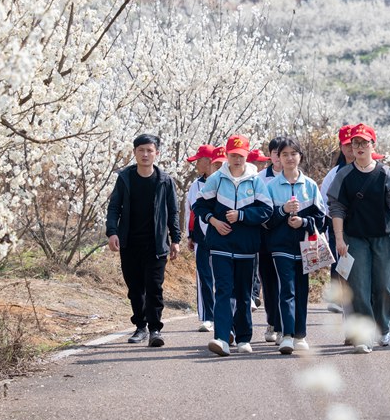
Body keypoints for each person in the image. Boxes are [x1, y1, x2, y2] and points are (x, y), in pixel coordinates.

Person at [327, 123, 390, 353]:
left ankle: (383, 327)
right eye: (355, 143)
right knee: (359, 286)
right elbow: (337, 208)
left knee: (384, 286)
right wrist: (339, 239)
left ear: (373, 145)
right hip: (355, 238)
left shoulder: (385, 174)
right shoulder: (344, 175)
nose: (359, 147)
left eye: (364, 142)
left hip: (384, 236)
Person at [193, 135, 273, 357]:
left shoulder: (255, 180)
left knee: (243, 293)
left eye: (241, 156)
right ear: (227, 155)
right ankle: (221, 337)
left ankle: (244, 338)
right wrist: (214, 221)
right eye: (233, 155)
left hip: (247, 246)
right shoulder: (217, 178)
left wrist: (242, 215)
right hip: (220, 244)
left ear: (247, 157)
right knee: (223, 290)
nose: (237, 159)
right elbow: (199, 205)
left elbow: (266, 210)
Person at [106, 134, 181, 347]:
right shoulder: (125, 178)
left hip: (156, 244)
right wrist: (112, 232)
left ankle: (155, 329)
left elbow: (173, 212)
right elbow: (114, 208)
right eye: (141, 150)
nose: (145, 154)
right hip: (130, 242)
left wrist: (175, 239)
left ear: (156, 153)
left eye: (150, 150)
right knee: (135, 287)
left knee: (154, 286)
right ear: (134, 152)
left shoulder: (165, 181)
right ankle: (140, 326)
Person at [264, 137, 326, 354]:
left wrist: (304, 222)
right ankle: (288, 335)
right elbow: (265, 220)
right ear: (278, 159)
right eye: (284, 154)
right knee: (286, 289)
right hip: (280, 246)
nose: (289, 158)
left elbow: (321, 219)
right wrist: (283, 211)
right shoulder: (270, 187)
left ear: (300, 156)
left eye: (293, 154)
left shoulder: (309, 185)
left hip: (305, 247)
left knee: (302, 290)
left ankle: (301, 335)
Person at [320, 124, 354, 314]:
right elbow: (324, 200)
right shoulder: (333, 174)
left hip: (361, 224)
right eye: (346, 144)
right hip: (336, 223)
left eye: (353, 143)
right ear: (341, 147)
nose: (350, 148)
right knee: (338, 259)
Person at [186, 144, 218, 332]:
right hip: (201, 237)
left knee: (223, 277)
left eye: (199, 160)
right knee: (204, 276)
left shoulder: (224, 181)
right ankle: (207, 316)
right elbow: (190, 211)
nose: (197, 164)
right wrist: (190, 234)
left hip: (223, 236)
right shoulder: (195, 185)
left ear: (209, 161)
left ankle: (226, 313)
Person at [256, 138, 284, 342]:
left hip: (289, 240)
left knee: (288, 283)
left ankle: (286, 325)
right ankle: (272, 322)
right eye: (275, 152)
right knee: (269, 283)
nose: (279, 157)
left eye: (283, 152)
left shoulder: (298, 178)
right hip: (265, 240)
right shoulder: (260, 178)